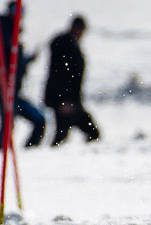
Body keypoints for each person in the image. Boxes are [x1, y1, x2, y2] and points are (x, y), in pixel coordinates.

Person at [0, 1, 45, 150]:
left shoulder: (13, 32)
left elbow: (13, 60)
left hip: (14, 88)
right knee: (9, 120)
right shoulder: (1, 26)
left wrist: (28, 60)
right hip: (3, 87)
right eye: (15, 10)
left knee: (36, 120)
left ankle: (27, 152)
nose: (18, 14)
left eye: (20, 11)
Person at [44, 15, 100, 146]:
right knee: (62, 135)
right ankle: (51, 160)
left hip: (72, 100)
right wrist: (63, 101)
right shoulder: (63, 45)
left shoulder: (72, 46)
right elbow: (60, 76)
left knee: (90, 132)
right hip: (63, 100)